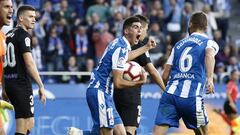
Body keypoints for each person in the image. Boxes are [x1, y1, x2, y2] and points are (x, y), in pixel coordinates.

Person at [86, 16, 156, 135]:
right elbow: (118, 83)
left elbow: (125, 57)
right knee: (106, 132)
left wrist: (146, 47)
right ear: (126, 31)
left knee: (120, 133)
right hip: (100, 92)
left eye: (140, 28)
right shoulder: (121, 48)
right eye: (135, 27)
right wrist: (139, 82)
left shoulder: (118, 43)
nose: (139, 30)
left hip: (103, 93)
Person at [153, 12, 219, 135]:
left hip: (170, 95)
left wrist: (167, 91)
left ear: (190, 24)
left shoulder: (178, 45)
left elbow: (165, 74)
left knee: (158, 132)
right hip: (192, 97)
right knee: (203, 131)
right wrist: (210, 79)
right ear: (206, 27)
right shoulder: (209, 42)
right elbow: (209, 55)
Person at [113, 15, 166, 135]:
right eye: (144, 29)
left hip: (117, 92)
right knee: (130, 130)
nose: (144, 32)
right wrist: (165, 89)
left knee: (117, 131)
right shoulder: (140, 46)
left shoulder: (120, 43)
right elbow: (152, 71)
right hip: (131, 93)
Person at [3, 5, 46, 135]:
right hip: (21, 85)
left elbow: (3, 64)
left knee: (25, 122)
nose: (34, 20)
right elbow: (29, 63)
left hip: (10, 84)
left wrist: (5, 87)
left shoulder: (7, 35)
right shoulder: (25, 36)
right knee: (26, 124)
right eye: (30, 16)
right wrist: (41, 85)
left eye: (35, 17)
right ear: (21, 18)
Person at [0, 0, 14, 135]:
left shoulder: (3, 37)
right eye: (6, 7)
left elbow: (2, 66)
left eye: (11, 7)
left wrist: (4, 89)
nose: (10, 10)